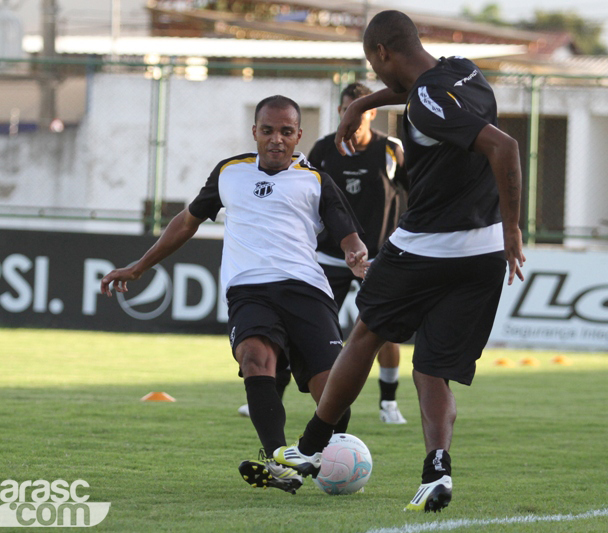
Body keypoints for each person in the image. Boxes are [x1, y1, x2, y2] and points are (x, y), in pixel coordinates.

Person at [273, 11, 526, 512]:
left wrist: (516, 225)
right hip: (481, 253)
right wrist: (365, 101)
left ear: (382, 53)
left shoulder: (427, 102)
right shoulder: (463, 71)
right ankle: (437, 471)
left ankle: (307, 448)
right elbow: (422, 92)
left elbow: (505, 146)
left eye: (374, 64)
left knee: (366, 333)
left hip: (426, 246)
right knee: (431, 368)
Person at [100, 95, 369, 495]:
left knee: (332, 397)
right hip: (249, 289)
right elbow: (185, 222)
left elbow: (347, 231)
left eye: (285, 132)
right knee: (255, 358)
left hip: (307, 290)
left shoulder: (315, 179)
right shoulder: (230, 172)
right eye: (267, 130)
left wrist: (354, 252)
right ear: (255, 132)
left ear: (298, 135)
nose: (276, 139)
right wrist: (140, 266)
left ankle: (308, 459)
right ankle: (279, 459)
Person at [237, 82, 410, 424]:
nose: (353, 117)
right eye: (347, 110)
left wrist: (402, 237)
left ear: (372, 113)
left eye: (359, 110)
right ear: (340, 112)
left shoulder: (391, 149)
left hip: (378, 259)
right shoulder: (323, 149)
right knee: (295, 327)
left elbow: (415, 193)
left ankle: (388, 404)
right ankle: (274, 395)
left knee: (383, 329)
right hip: (329, 257)